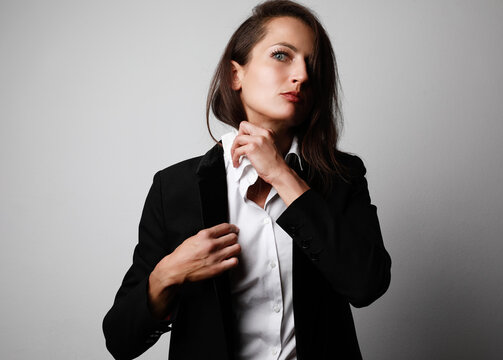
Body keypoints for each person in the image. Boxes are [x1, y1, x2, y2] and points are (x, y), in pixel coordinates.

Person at [103, 1, 391, 359]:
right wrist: (169, 272)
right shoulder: (174, 188)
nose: (301, 74)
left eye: (311, 65)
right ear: (236, 75)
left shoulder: (341, 176)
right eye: (282, 55)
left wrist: (283, 176)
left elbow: (367, 285)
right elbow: (119, 339)